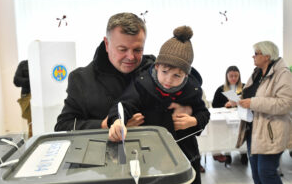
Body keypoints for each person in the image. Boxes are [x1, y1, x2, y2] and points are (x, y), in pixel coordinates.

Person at [108, 26, 210, 184]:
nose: (168, 80)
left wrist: (194, 121)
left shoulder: (193, 89)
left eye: (177, 76)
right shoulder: (142, 84)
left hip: (186, 154)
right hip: (150, 156)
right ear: (156, 67)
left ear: (186, 75)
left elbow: (204, 113)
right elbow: (123, 105)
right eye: (164, 72)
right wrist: (118, 121)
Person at [55, 12, 192, 132]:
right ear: (107, 44)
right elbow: (63, 126)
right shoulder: (81, 79)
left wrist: (187, 111)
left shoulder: (156, 71)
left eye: (138, 50)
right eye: (122, 49)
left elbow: (188, 94)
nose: (131, 57)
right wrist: (105, 125)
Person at [236, 41, 292, 184]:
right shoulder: (256, 74)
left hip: (271, 132)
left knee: (266, 173)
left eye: (256, 53)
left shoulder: (282, 74)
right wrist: (238, 100)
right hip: (253, 130)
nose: (253, 56)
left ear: (267, 56)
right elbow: (249, 95)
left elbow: (286, 103)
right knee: (257, 175)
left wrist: (253, 103)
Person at [212, 66, 248, 165]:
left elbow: (250, 102)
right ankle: (227, 154)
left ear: (239, 76)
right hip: (226, 118)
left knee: (243, 132)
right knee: (226, 133)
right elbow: (214, 105)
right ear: (226, 76)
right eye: (231, 76)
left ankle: (244, 153)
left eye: (236, 76)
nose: (233, 78)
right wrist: (225, 105)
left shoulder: (244, 87)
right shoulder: (221, 89)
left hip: (241, 116)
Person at [13, 60, 32, 138]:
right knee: (31, 123)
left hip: (43, 96)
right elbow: (16, 81)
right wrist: (32, 80)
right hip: (27, 96)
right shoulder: (23, 64)